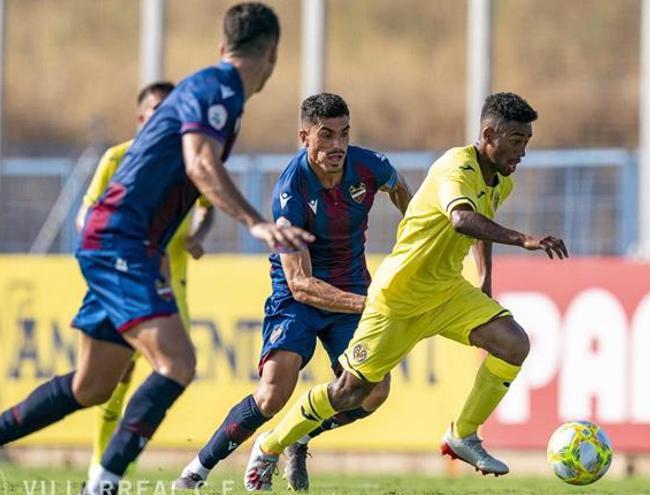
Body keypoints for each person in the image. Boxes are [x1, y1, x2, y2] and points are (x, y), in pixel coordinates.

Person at [0, 4, 312, 494]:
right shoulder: (217, 89)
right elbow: (200, 163)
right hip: (121, 238)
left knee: (91, 386)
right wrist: (257, 223)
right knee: (177, 364)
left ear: (225, 46)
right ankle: (103, 485)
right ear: (274, 56)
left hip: (119, 239)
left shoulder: (214, 91)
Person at [243, 92, 568, 489]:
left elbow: (481, 221)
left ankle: (463, 434)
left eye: (527, 143)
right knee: (350, 392)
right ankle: (271, 446)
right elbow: (463, 219)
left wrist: (484, 281)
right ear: (488, 135)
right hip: (397, 298)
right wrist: (525, 240)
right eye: (517, 141)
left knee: (514, 343)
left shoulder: (501, 180)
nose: (522, 152)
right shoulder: (456, 167)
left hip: (446, 292)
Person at [173, 93, 412, 491]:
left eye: (344, 134)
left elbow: (404, 192)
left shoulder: (369, 166)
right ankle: (195, 472)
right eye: (326, 135)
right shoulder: (292, 191)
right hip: (299, 296)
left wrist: (416, 238)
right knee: (273, 391)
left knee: (373, 393)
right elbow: (301, 283)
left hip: (351, 287)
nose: (338, 145)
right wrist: (369, 304)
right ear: (305, 137)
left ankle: (296, 436)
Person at [75, 81, 215, 481]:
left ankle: (116, 464)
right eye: (156, 110)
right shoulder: (117, 158)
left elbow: (207, 205)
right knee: (112, 382)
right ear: (141, 118)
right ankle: (103, 464)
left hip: (172, 289)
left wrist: (197, 236)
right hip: (123, 282)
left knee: (172, 371)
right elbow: (86, 216)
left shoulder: (189, 162)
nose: (163, 117)